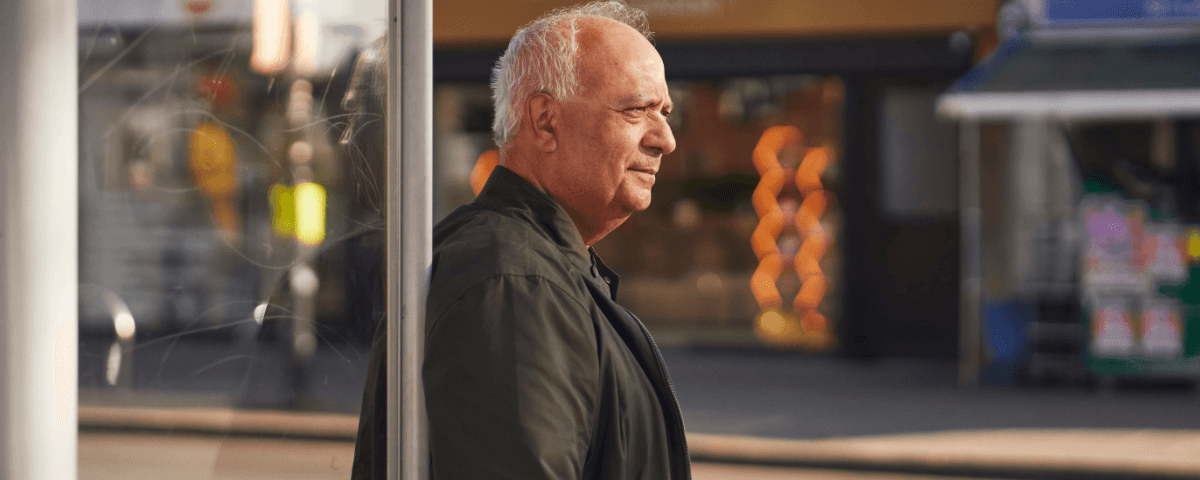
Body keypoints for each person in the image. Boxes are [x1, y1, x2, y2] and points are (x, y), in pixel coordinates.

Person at [353, 2, 689, 479]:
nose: (665, 139)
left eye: (665, 113)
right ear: (545, 120)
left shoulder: (528, 268)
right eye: (637, 110)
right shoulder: (515, 283)